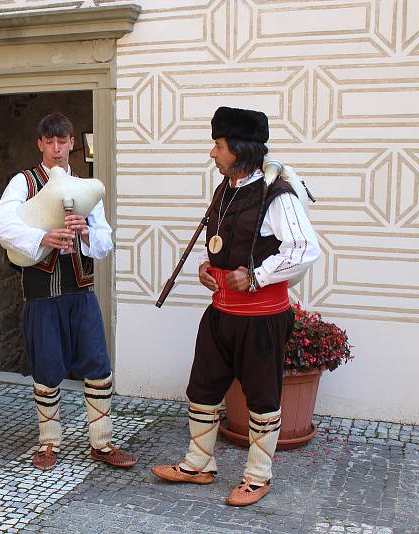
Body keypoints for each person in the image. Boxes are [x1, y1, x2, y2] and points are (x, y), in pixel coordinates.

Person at [150, 107, 321, 506]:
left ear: (240, 149)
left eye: (219, 145)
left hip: (261, 318)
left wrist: (259, 275)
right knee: (203, 389)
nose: (212, 153)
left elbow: (305, 249)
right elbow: (223, 245)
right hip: (221, 312)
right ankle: (198, 464)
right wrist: (208, 268)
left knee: (262, 398)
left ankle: (258, 477)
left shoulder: (276, 194)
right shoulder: (226, 189)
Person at [0, 112, 137, 471]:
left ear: (73, 142)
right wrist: (41, 236)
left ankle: (101, 443)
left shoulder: (87, 189)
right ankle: (48, 442)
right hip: (42, 296)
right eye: (49, 141)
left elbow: (105, 243)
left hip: (81, 294)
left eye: (62, 141)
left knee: (99, 367)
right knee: (47, 369)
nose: (57, 149)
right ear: (40, 144)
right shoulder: (25, 182)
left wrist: (86, 232)